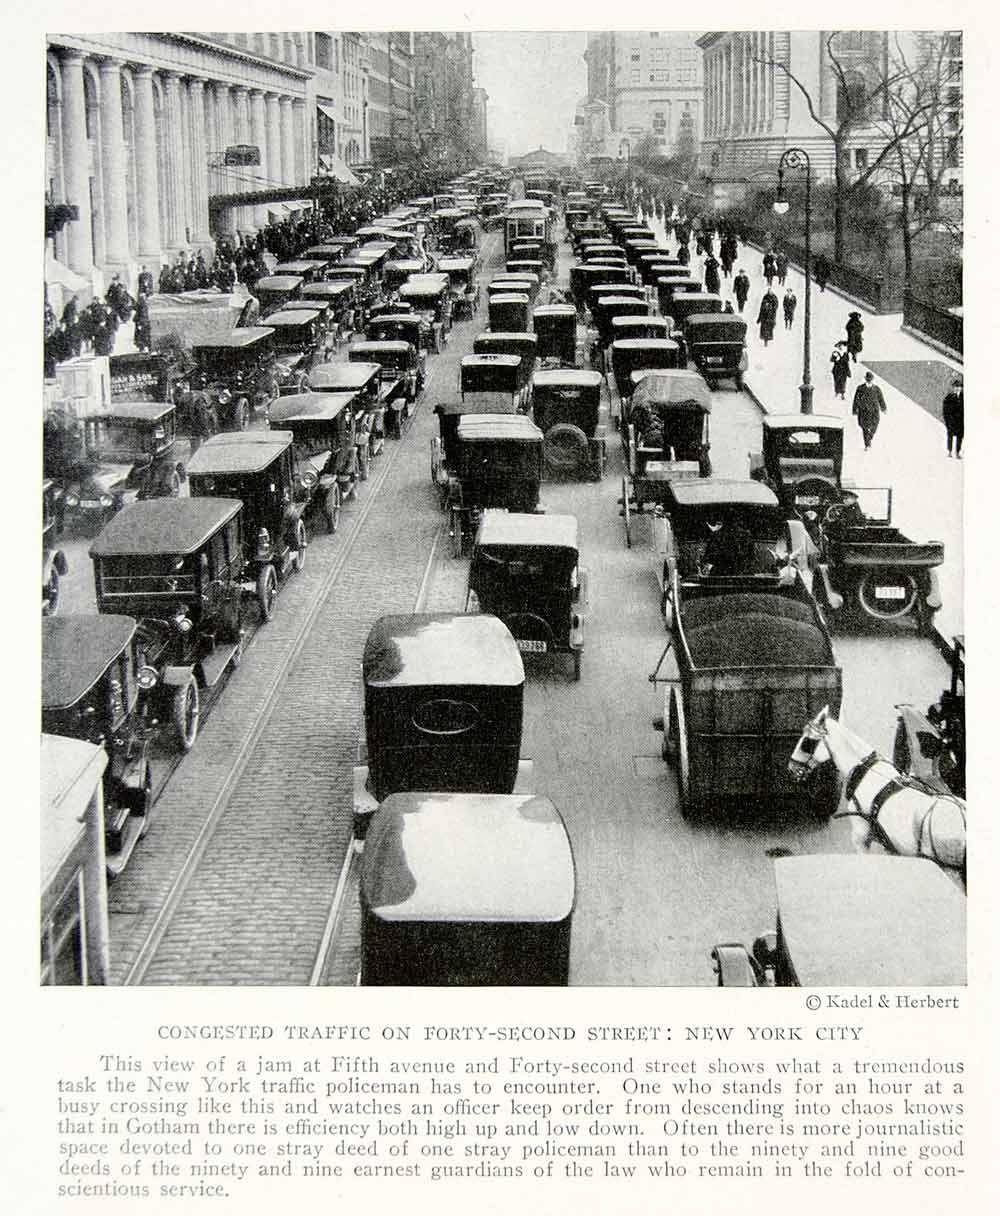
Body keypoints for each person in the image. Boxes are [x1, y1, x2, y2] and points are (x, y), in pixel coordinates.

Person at [852, 371, 887, 450]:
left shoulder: (877, 389)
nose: (869, 380)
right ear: (865, 379)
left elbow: (881, 399)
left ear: (872, 380)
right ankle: (867, 444)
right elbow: (856, 399)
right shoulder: (860, 388)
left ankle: (870, 437)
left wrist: (883, 408)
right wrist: (855, 409)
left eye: (870, 379)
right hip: (863, 411)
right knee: (864, 427)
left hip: (874, 411)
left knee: (875, 425)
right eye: (868, 379)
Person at [942, 377, 964, 458]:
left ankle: (957, 452)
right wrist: (947, 421)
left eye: (959, 387)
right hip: (951, 421)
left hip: (960, 422)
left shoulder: (963, 398)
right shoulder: (948, 397)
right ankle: (949, 451)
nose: (958, 389)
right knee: (950, 436)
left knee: (960, 437)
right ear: (953, 388)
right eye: (956, 387)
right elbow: (945, 411)